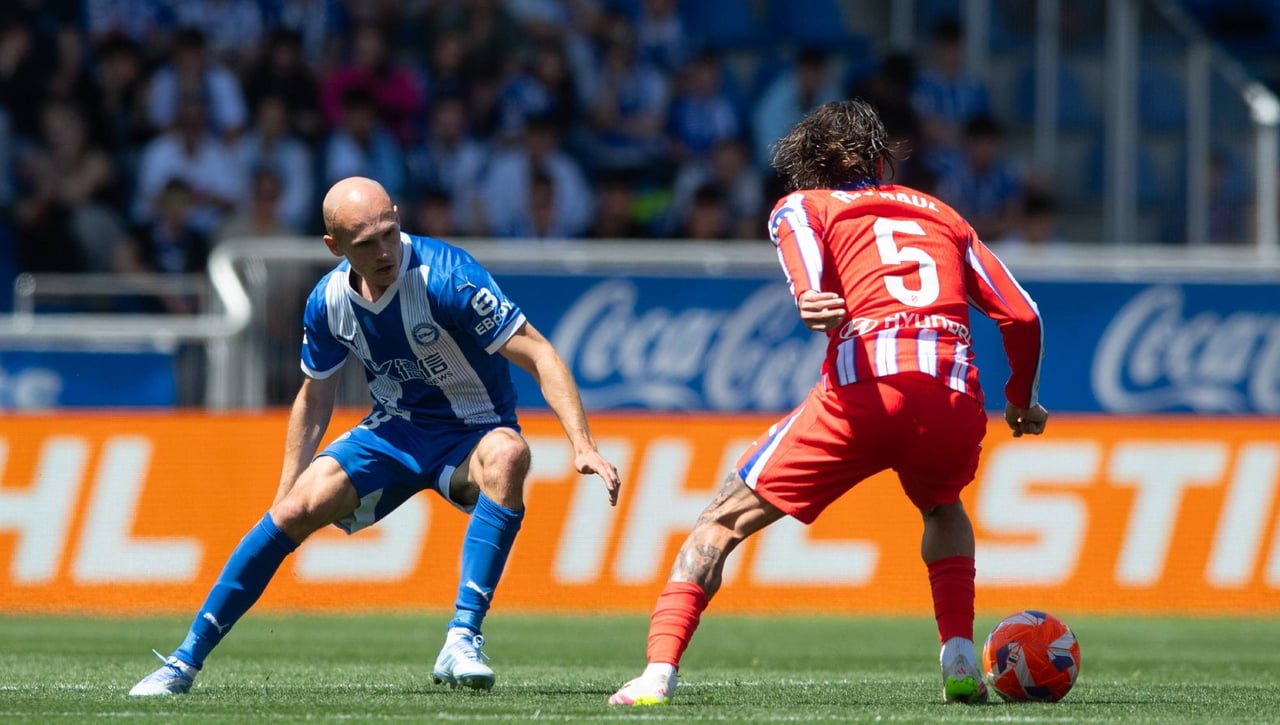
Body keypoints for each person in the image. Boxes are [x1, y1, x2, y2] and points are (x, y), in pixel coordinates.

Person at [608, 99, 1047, 707]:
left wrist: (811, 296)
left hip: (864, 389)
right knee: (943, 506)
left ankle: (657, 675)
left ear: (829, 158)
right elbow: (1022, 314)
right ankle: (959, 655)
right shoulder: (946, 215)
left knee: (720, 520)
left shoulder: (805, 205)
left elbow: (804, 260)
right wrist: (1020, 402)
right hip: (952, 395)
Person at [130, 176, 622, 696]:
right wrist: (287, 489)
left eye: (389, 233)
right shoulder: (328, 302)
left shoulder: (449, 277)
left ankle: (462, 638)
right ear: (334, 247)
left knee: (510, 454)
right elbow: (313, 397)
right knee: (291, 512)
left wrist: (582, 443)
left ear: (397, 218)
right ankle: (182, 664)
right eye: (366, 244)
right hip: (393, 432)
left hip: (473, 433)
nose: (385, 251)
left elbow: (538, 351)